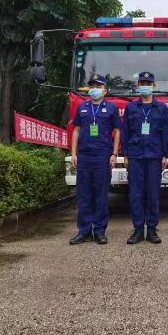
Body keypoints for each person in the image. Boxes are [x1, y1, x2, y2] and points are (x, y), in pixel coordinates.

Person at [69, 74, 121, 245]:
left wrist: (114, 154)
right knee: (84, 195)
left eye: (98, 87)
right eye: (92, 86)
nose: (94, 89)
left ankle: (99, 231)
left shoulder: (111, 108)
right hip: (84, 155)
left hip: (102, 155)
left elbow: (117, 131)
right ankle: (83, 231)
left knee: (100, 194)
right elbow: (76, 130)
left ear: (105, 91)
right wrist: (74, 153)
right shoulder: (82, 107)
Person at [121, 71, 168, 244]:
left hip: (154, 156)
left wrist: (165, 155)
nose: (145, 86)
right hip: (135, 156)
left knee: (153, 195)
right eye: (142, 83)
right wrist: (125, 154)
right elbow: (125, 132)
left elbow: (165, 132)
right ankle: (138, 230)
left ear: (154, 86)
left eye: (148, 84)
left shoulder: (161, 108)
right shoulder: (131, 108)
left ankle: (152, 230)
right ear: (138, 86)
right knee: (135, 194)